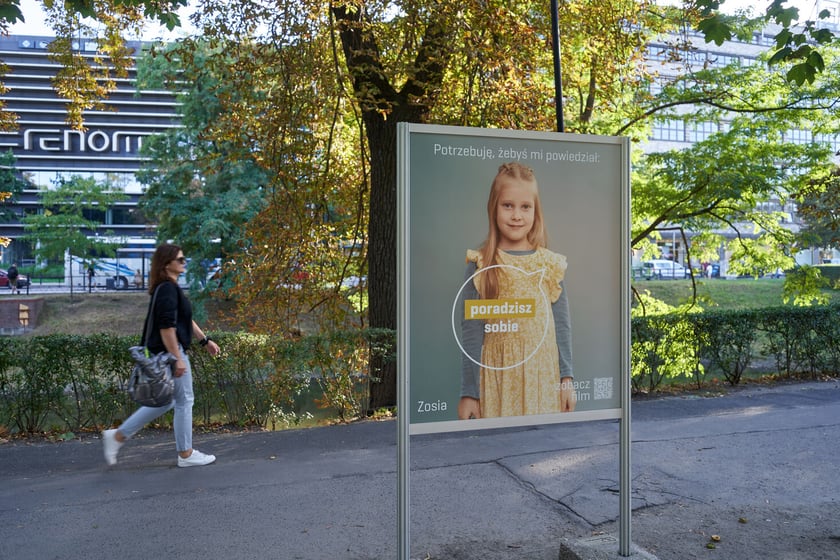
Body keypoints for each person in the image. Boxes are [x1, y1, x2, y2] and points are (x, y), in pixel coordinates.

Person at [458, 162, 575, 420]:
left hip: (543, 378)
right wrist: (470, 393)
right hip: (498, 378)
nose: (516, 215)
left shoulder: (550, 265)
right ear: (494, 208)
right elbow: (471, 332)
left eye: (525, 207)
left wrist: (566, 379)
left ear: (536, 211)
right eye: (507, 205)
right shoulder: (481, 264)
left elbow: (562, 326)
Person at [102, 243, 221, 467]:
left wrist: (204, 341)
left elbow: (184, 319)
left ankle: (118, 436)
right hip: (170, 353)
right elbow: (166, 328)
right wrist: (177, 358)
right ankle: (186, 454)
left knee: (166, 402)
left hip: (166, 353)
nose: (184, 263)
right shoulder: (167, 288)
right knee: (185, 400)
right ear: (167, 264)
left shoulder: (169, 287)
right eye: (181, 260)